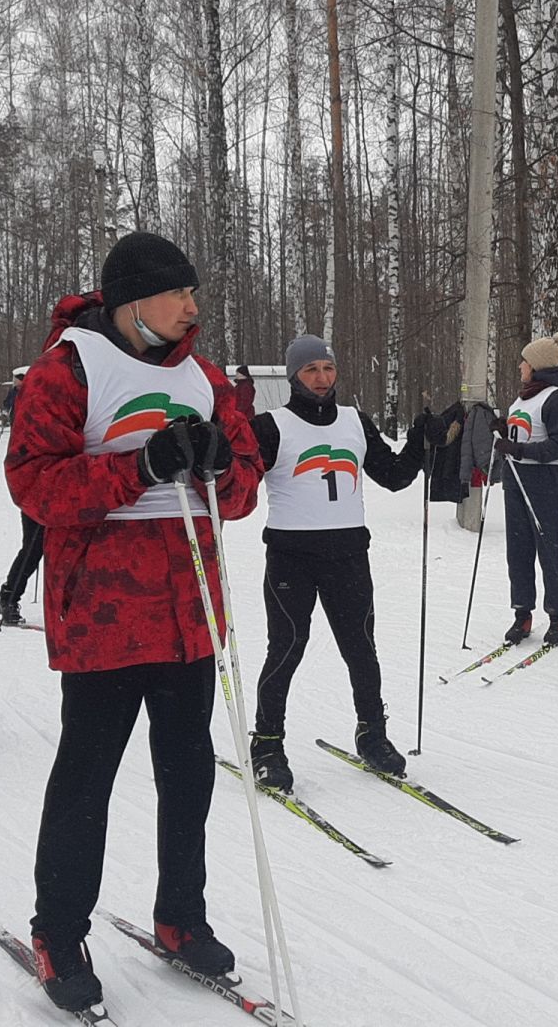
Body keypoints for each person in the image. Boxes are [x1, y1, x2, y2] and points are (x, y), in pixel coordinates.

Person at [6, 230, 259, 1013]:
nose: (194, 305)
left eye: (194, 292)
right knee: (88, 775)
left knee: (188, 772)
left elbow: (245, 488)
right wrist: (140, 465)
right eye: (180, 292)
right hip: (104, 614)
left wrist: (219, 459)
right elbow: (33, 485)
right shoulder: (69, 366)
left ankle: (179, 914)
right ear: (133, 300)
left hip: (187, 606)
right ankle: (59, 929)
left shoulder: (205, 374)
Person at [245, 335, 437, 789]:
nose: (321, 378)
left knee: (360, 649)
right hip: (292, 557)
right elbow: (236, 485)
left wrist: (419, 442)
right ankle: (268, 743)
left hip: (348, 555)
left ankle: (372, 734)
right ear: (294, 375)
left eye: (327, 369)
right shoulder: (271, 426)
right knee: (287, 647)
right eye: (311, 370)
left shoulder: (355, 421)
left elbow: (392, 477)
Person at [494, 329, 558, 647]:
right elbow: (523, 435)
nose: (520, 367)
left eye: (524, 362)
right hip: (515, 482)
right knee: (518, 551)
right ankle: (522, 613)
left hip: (546, 484)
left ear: (538, 366)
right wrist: (504, 429)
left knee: (550, 550)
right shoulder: (523, 397)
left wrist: (518, 450)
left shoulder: (556, 398)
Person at [0, 368, 43, 626]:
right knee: (34, 547)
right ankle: (9, 597)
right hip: (36, 488)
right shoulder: (22, 406)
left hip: (66, 485)